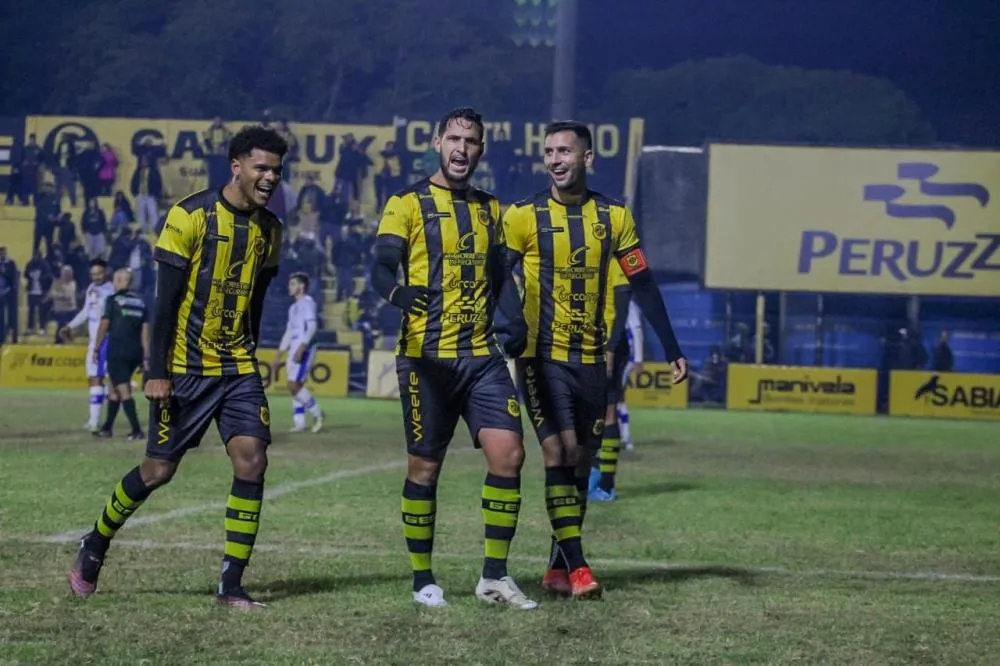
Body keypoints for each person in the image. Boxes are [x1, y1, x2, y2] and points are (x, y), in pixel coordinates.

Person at [67, 125, 288, 609]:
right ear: (237, 166)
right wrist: (157, 371)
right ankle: (96, 542)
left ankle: (231, 583)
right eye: (261, 167)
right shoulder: (189, 216)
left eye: (276, 169)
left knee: (252, 459)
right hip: (185, 368)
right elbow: (164, 302)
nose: (270, 176)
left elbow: (257, 300)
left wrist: (250, 353)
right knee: (158, 470)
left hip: (238, 369)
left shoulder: (271, 230)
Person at [501, 121, 688, 598]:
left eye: (565, 151)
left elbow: (642, 283)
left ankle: (556, 566)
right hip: (540, 357)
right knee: (557, 450)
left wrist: (672, 347)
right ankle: (580, 565)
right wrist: (508, 325)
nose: (555, 159)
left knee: (580, 460)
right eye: (549, 151)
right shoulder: (523, 215)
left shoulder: (614, 216)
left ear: (588, 158)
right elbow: (494, 274)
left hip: (590, 359)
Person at [371, 107, 534, 609]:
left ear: (481, 150)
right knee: (424, 468)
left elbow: (501, 277)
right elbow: (379, 266)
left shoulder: (491, 209)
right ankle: (423, 579)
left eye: (473, 141)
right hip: (426, 359)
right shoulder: (407, 203)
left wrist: (515, 323)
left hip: (481, 356)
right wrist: (397, 295)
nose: (463, 148)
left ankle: (493, 578)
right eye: (455, 139)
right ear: (438, 142)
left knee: (509, 454)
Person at [588, 261, 634, 502]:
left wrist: (611, 349)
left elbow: (622, 310)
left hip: (607, 347)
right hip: (582, 342)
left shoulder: (618, 260)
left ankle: (604, 484)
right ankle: (589, 478)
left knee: (608, 412)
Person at [92, 269, 150, 440]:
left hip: (118, 350)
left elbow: (105, 323)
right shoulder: (141, 303)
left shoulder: (112, 300)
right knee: (114, 389)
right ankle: (107, 428)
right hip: (135, 353)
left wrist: (96, 347)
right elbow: (145, 333)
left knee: (123, 390)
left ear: (119, 280)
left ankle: (137, 430)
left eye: (116, 279)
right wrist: (145, 356)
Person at [58, 259, 115, 430]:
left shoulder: (111, 290)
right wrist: (70, 325)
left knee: (98, 379)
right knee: (94, 379)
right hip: (93, 341)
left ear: (106, 272)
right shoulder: (91, 288)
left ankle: (95, 422)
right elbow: (86, 311)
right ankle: (94, 418)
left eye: (99, 273)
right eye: (93, 274)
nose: (96, 277)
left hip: (105, 340)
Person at [273, 272, 325, 433]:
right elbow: (289, 332)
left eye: (293, 284)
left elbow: (312, 326)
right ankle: (300, 422)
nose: (290, 287)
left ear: (301, 286)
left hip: (304, 348)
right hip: (294, 347)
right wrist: (279, 354)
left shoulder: (307, 303)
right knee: (295, 385)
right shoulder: (293, 307)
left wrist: (302, 347)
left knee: (293, 384)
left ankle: (318, 414)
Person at [617, 301, 645, 450]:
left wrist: (638, 359)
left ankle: (625, 436)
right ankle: (624, 436)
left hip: (623, 354)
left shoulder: (628, 304)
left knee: (615, 396)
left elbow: (636, 329)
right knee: (615, 396)